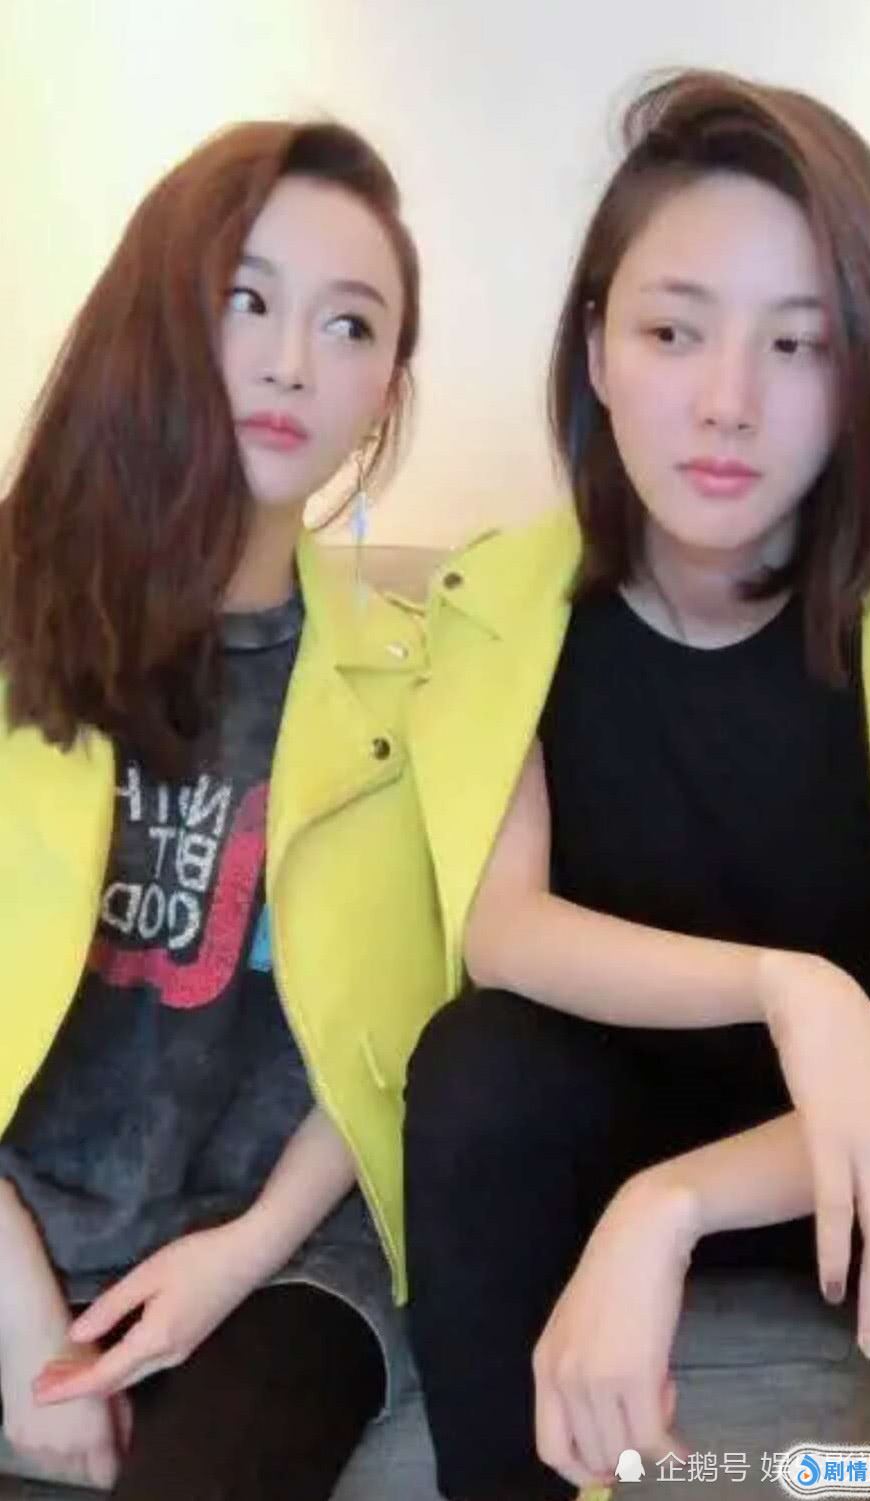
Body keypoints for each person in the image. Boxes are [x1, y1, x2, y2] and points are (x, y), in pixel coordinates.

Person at [403, 70, 870, 1500]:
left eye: (797, 343)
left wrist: (676, 1202)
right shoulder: (502, 602)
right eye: (670, 330)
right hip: (609, 1112)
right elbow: (502, 930)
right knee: (475, 1069)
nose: (726, 403)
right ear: (595, 348)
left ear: (865, 375)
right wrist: (788, 986)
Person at [0, 117, 445, 1498]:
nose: (292, 361)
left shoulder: (414, 678)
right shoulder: (19, 625)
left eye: (350, 324)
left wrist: (237, 1258)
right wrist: (22, 1328)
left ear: (386, 388)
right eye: (246, 299)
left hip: (283, 1257)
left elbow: (399, 1031)